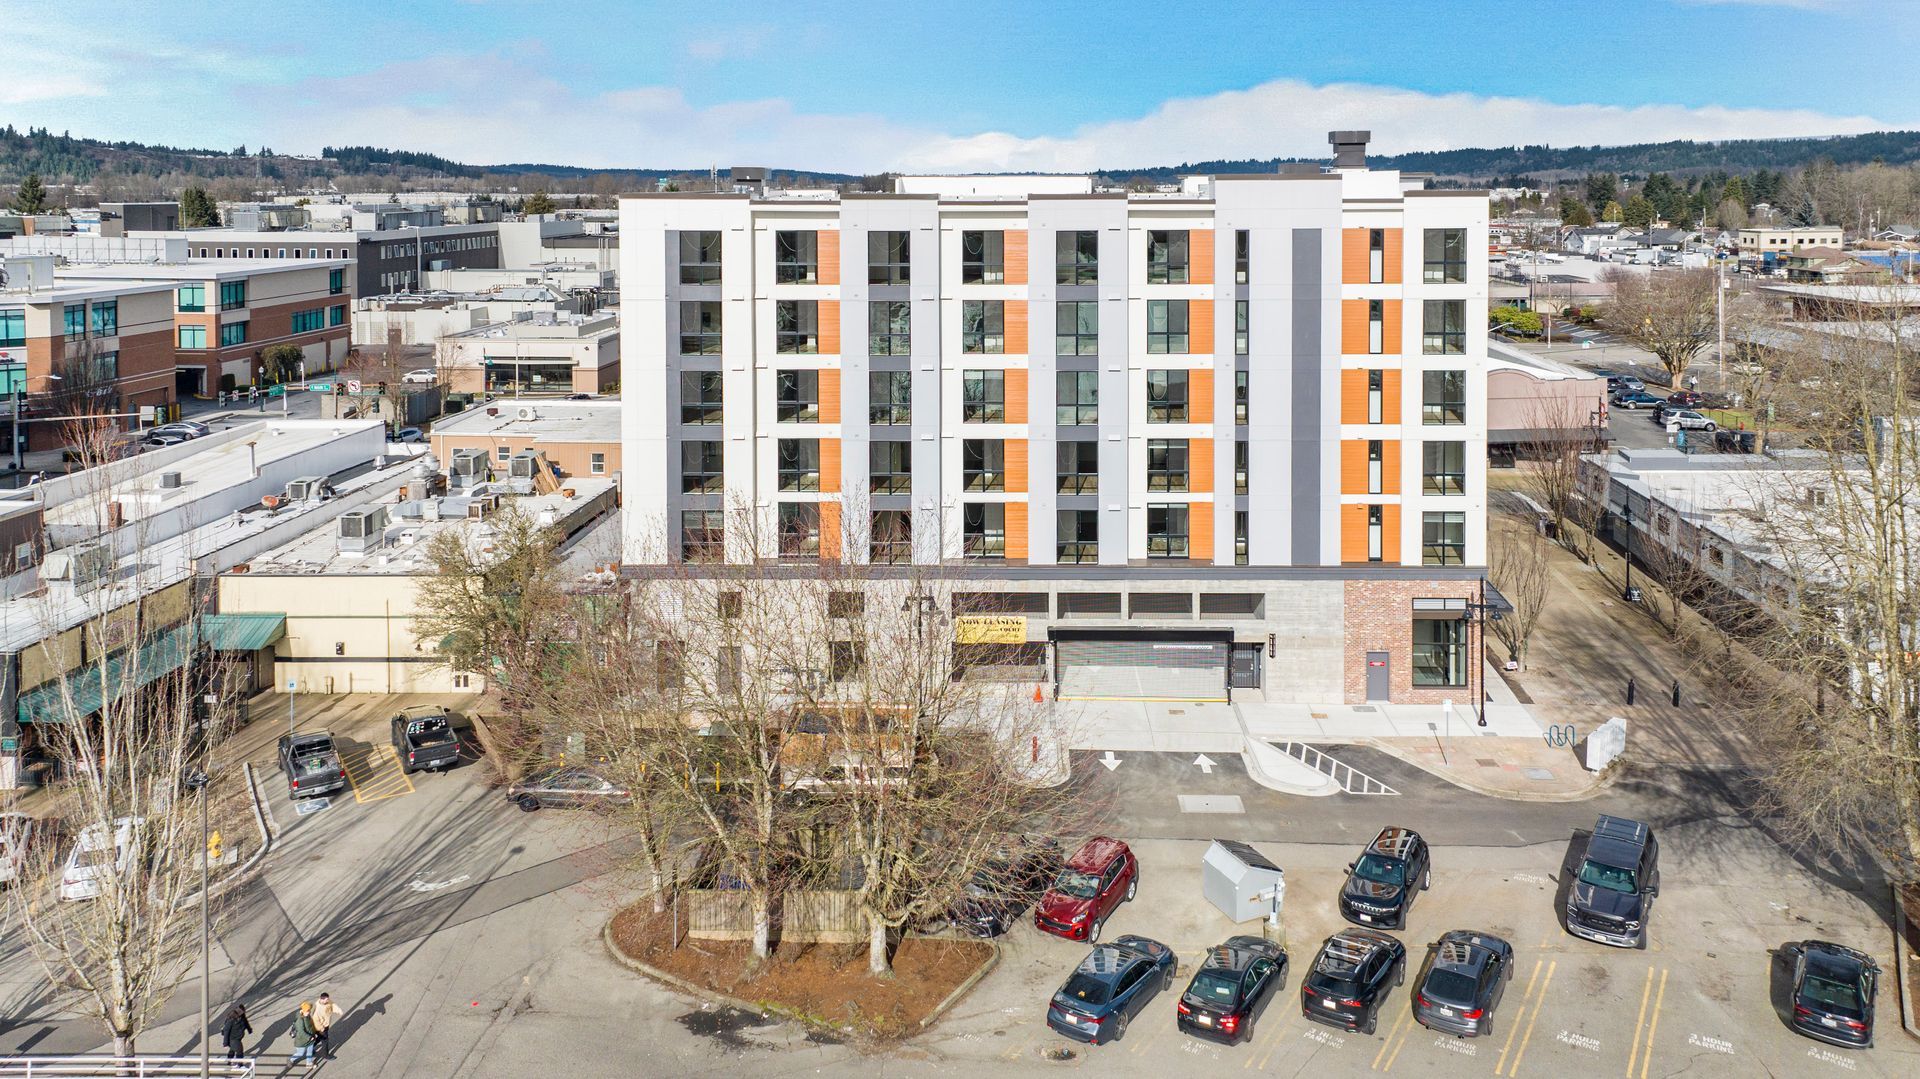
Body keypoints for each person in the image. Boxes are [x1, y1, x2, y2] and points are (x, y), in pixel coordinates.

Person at [312, 992, 342, 1060]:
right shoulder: (318, 1009)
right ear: (321, 999)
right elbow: (315, 1020)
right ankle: (326, 1055)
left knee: (318, 1039)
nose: (328, 1001)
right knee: (325, 1041)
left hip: (325, 1025)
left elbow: (332, 1005)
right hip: (321, 1027)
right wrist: (321, 1028)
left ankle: (310, 1048)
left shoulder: (327, 1002)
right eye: (326, 1000)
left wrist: (338, 1010)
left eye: (328, 999)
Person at [290, 1001, 319, 1070]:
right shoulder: (299, 1020)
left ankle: (309, 1064)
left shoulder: (307, 1016)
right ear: (303, 1010)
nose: (309, 1012)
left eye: (309, 1010)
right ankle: (291, 1060)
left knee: (309, 1051)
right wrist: (309, 1037)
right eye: (307, 1011)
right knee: (300, 1053)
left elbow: (310, 1026)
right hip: (301, 1041)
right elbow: (301, 1032)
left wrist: (315, 1033)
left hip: (310, 1038)